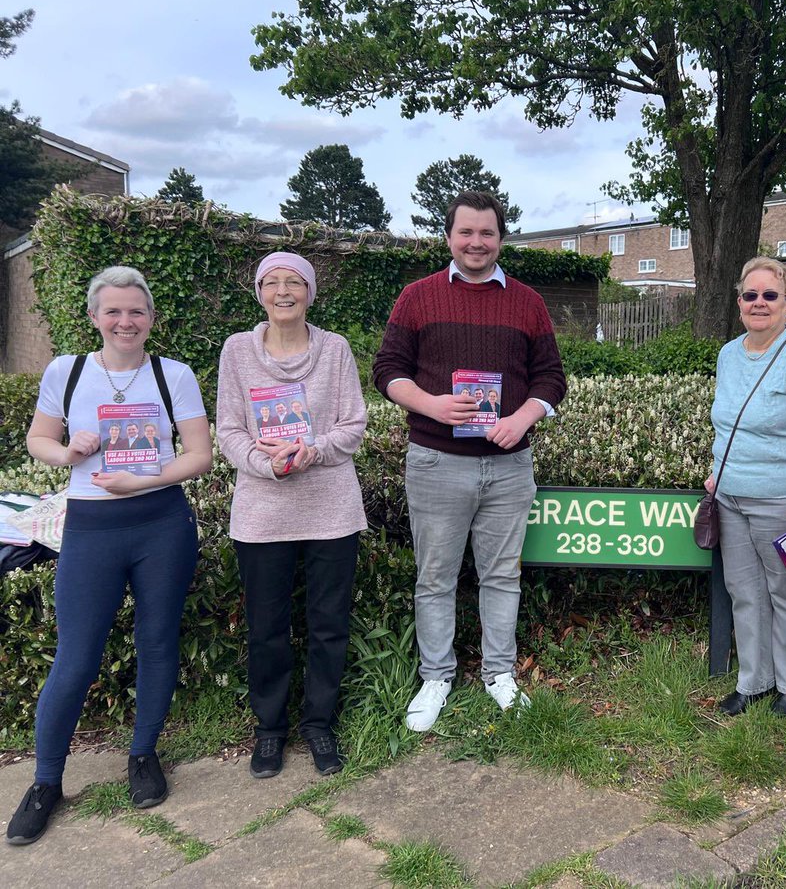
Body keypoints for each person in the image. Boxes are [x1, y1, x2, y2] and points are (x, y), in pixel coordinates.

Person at [6, 266, 212, 846]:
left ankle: (143, 754)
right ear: (95, 317)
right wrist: (68, 450)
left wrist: (143, 483)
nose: (126, 321)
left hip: (162, 525)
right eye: (114, 311)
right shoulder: (66, 372)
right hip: (91, 529)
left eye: (137, 311)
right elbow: (38, 441)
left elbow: (199, 456)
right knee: (75, 657)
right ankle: (46, 782)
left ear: (151, 319)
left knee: (157, 641)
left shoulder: (174, 376)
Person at [373, 190, 567, 732]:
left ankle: (499, 674)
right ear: (449, 236)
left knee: (502, 575)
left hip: (508, 466)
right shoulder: (417, 297)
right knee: (435, 578)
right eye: (466, 232)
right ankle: (436, 677)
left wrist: (524, 416)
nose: (476, 242)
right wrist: (431, 404)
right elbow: (387, 368)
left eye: (487, 232)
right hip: (437, 461)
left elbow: (553, 377)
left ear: (501, 238)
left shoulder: (527, 302)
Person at [217, 252, 368, 780]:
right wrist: (268, 464)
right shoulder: (237, 351)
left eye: (294, 282)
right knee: (266, 627)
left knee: (329, 625)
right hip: (262, 511)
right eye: (272, 282)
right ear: (259, 293)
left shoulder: (336, 349)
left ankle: (319, 723)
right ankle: (270, 730)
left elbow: (354, 425)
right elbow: (229, 431)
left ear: (310, 292)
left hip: (331, 507)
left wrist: (313, 449)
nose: (283, 291)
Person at [705, 257, 786, 718]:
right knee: (744, 590)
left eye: (770, 295)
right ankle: (754, 680)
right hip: (731, 497)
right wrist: (718, 471)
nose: (759, 303)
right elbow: (725, 424)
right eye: (750, 295)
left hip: (781, 501)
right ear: (739, 302)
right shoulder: (728, 353)